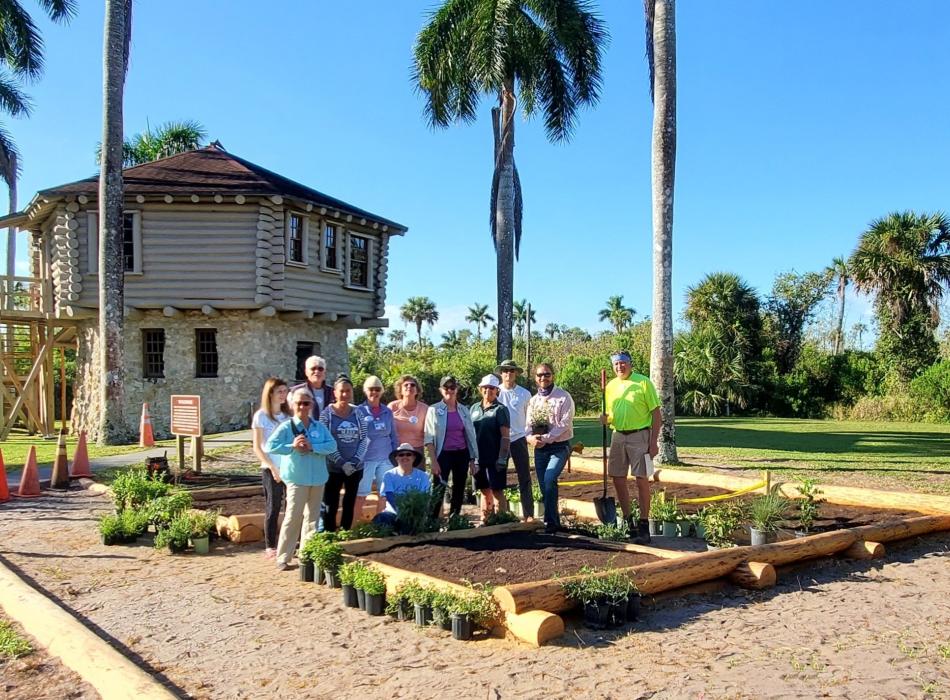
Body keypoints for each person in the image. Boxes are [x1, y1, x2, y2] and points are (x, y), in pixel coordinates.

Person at [265, 386, 337, 571]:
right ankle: (283, 557)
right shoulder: (287, 427)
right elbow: (271, 446)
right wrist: (292, 446)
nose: (303, 407)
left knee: (312, 519)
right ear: (292, 405)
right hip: (297, 478)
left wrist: (313, 447)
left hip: (318, 478)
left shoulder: (319, 427)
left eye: (306, 403)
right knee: (293, 517)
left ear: (311, 405)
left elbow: (332, 446)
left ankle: (306, 556)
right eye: (299, 403)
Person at [600, 350, 661, 544]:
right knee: (617, 477)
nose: (620, 367)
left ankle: (644, 524)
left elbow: (656, 414)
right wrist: (604, 419)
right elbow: (610, 413)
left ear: (630, 364)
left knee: (641, 479)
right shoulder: (610, 386)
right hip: (618, 435)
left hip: (640, 436)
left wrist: (653, 442)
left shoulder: (643, 382)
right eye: (616, 364)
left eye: (623, 363)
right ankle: (628, 521)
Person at [526, 362, 575, 534]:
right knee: (543, 485)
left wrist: (546, 438)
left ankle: (550, 521)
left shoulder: (563, 397)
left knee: (549, 479)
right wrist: (530, 438)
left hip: (559, 447)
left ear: (552, 375)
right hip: (540, 449)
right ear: (535, 378)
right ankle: (552, 521)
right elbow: (527, 426)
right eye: (540, 375)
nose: (543, 378)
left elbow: (564, 424)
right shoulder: (533, 401)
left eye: (546, 374)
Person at [424, 375, 478, 517]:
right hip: (443, 454)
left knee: (459, 488)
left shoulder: (464, 410)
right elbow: (428, 438)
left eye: (452, 387)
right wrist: (433, 461)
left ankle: (455, 520)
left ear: (457, 389)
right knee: (438, 488)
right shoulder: (433, 410)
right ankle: (432, 521)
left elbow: (470, 436)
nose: (449, 390)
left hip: (461, 453)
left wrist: (473, 459)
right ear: (441, 390)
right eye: (446, 387)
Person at [320, 375, 369, 531]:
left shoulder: (358, 413)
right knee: (330, 503)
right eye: (341, 391)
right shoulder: (326, 414)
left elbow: (364, 439)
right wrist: (341, 462)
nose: (345, 395)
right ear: (335, 393)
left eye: (348, 391)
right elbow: (325, 442)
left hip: (355, 468)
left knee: (349, 502)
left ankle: (345, 533)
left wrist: (354, 461)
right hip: (333, 468)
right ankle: (329, 534)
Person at [251, 377, 290, 559]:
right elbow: (258, 447)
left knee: (292, 506)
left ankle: (290, 541)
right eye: (280, 391)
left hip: (289, 466)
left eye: (285, 391)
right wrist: (273, 468)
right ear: (271, 394)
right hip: (270, 467)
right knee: (273, 506)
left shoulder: (288, 416)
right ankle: (270, 545)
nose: (283, 395)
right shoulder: (261, 416)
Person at [496, 359, 534, 521]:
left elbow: (530, 417)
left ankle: (528, 514)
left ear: (516, 373)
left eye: (511, 371)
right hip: (500, 441)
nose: (508, 374)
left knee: (524, 477)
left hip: (519, 439)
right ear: (501, 373)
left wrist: (528, 435)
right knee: (499, 477)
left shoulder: (525, 394)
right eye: (505, 371)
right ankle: (501, 515)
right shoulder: (495, 392)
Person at [470, 374, 511, 521]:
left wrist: (502, 458)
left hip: (495, 457)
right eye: (485, 387)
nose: (488, 390)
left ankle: (501, 521)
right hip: (478, 457)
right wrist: (471, 458)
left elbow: (505, 436)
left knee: (497, 490)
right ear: (480, 389)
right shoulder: (474, 408)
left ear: (497, 390)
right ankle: (485, 520)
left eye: (492, 388)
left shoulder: (500, 409)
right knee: (484, 489)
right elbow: (469, 434)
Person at [357, 375, 399, 515]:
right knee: (361, 494)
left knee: (384, 494)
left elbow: (393, 435)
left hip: (386, 458)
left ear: (381, 391)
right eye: (371, 389)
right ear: (365, 390)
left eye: (377, 389)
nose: (374, 392)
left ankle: (381, 524)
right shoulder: (358, 411)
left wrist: (395, 456)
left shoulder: (387, 411)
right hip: (366, 459)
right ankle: (355, 526)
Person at [372, 443, 432, 531]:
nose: (405, 457)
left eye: (408, 454)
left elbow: (425, 497)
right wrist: (402, 512)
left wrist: (413, 513)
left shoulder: (423, 476)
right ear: (397, 458)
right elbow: (389, 495)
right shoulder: (389, 475)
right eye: (401, 455)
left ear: (414, 457)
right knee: (381, 519)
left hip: (414, 514)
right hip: (393, 513)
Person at [388, 374, 428, 455]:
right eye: (406, 385)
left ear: (417, 390)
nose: (409, 386)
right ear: (401, 390)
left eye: (413, 385)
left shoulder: (425, 409)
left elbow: (429, 433)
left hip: (417, 451)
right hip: (397, 451)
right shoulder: (392, 407)